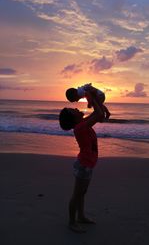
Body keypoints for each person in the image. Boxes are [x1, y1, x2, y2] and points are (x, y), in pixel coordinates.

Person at [59, 94, 104, 233]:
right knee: (77, 194)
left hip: (88, 165)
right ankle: (72, 222)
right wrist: (89, 96)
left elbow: (100, 115)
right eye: (74, 111)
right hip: (84, 166)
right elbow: (98, 113)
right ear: (74, 118)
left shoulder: (82, 123)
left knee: (82, 193)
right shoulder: (80, 127)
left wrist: (92, 98)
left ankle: (81, 216)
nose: (78, 109)